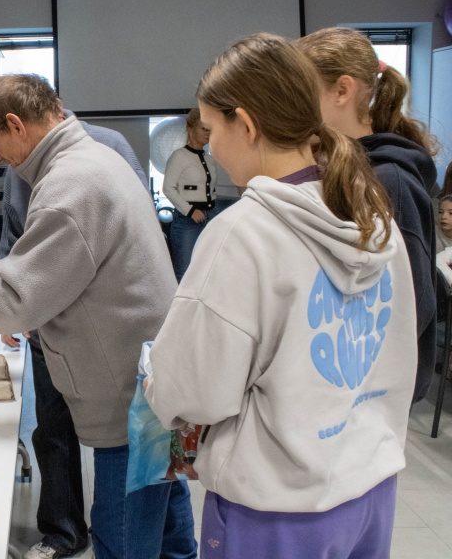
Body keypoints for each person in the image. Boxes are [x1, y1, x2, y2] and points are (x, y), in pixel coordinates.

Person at [0, 75, 195, 559]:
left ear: (16, 125)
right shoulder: (97, 156)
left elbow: (18, 302)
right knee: (168, 518)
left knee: (122, 536)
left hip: (126, 396)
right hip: (151, 379)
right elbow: (55, 260)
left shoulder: (67, 186)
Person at [145, 33, 416, 559]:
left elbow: (194, 390)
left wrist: (159, 383)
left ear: (245, 124)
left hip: (279, 509)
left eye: (210, 126)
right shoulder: (371, 210)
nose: (211, 144)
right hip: (370, 486)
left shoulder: (242, 233)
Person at [0, 106, 190, 559]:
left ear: (20, 123)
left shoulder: (106, 149)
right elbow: (14, 236)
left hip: (110, 344)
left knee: (133, 465)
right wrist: (12, 301)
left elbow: (135, 235)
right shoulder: (19, 165)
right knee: (56, 427)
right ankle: (64, 531)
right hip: (52, 326)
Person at [296, 26, 437, 405]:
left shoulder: (388, 179)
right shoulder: (334, 169)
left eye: (302, 93)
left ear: (343, 91)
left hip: (368, 392)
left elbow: (411, 303)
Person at [162, 109, 217, 281]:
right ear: (191, 128)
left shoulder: (210, 159)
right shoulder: (179, 156)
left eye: (209, 130)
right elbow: (168, 188)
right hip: (187, 221)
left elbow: (212, 191)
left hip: (210, 218)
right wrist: (190, 210)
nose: (207, 134)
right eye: (203, 129)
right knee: (184, 273)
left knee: (206, 273)